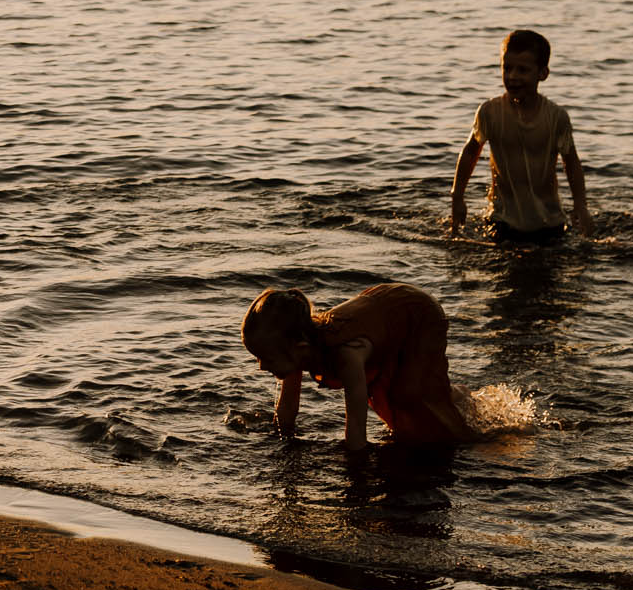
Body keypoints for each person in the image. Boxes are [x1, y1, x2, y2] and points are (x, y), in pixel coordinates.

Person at [242, 283, 488, 451]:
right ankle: (454, 394)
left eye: (267, 358)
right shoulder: (297, 346)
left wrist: (356, 479)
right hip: (382, 312)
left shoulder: (347, 356)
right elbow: (287, 410)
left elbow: (357, 429)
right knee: (397, 390)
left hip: (416, 313)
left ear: (300, 345)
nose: (262, 367)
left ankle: (467, 411)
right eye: (258, 358)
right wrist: (282, 441)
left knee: (409, 398)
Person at [449, 28, 591, 246]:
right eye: (507, 68)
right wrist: (457, 196)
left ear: (542, 73)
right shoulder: (490, 112)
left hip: (549, 222)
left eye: (523, 70)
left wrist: (581, 207)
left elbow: (571, 162)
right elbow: (470, 151)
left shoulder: (556, 117)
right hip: (501, 221)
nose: (513, 76)